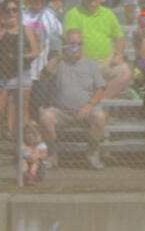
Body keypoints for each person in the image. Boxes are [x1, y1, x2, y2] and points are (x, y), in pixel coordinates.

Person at [39, 30, 108, 170]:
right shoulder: (59, 63)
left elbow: (100, 88)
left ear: (83, 45)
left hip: (85, 111)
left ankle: (92, 154)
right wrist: (58, 57)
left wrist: (89, 106)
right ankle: (52, 155)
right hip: (61, 111)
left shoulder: (91, 64)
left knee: (100, 116)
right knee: (45, 116)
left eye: (78, 44)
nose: (75, 47)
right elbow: (43, 76)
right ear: (65, 45)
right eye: (71, 44)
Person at [0, 0, 40, 151]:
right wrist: (5, 28)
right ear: (3, 12)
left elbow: (36, 51)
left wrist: (21, 57)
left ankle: (24, 144)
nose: (11, 13)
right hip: (3, 72)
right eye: (8, 10)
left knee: (23, 109)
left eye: (15, 10)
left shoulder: (26, 29)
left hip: (21, 71)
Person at [62, 0, 131, 100]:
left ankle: (98, 102)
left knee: (125, 73)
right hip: (82, 62)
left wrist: (119, 55)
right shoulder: (73, 14)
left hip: (106, 61)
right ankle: (93, 104)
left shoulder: (108, 14)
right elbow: (69, 40)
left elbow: (119, 36)